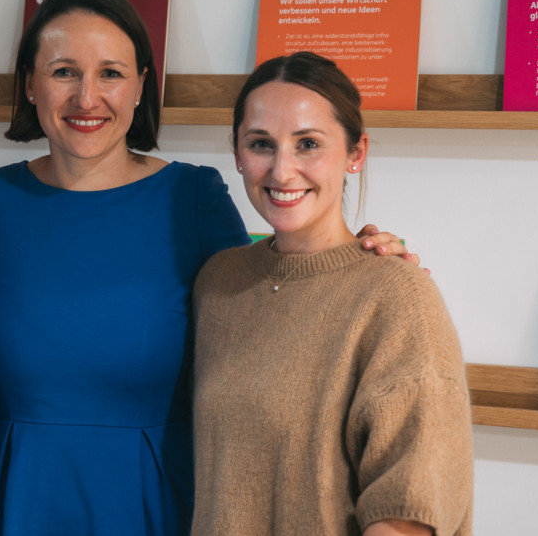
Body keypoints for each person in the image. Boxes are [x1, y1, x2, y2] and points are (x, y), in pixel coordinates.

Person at [0, 0, 414, 536]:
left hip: (156, 500)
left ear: (140, 88)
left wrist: (361, 261)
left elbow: (274, 317)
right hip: (22, 496)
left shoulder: (192, 199)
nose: (87, 98)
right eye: (63, 72)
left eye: (111, 73)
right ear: (30, 85)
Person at [191, 52, 473, 536]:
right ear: (236, 152)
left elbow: (409, 513)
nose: (281, 171)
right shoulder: (218, 281)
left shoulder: (400, 295)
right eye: (261, 143)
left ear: (356, 153)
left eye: (308, 144)